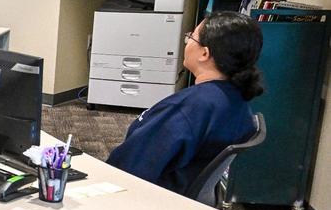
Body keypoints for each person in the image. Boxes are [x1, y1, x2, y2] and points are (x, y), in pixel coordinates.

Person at [107, 12, 264, 194]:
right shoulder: (237, 100)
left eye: (191, 37)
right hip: (182, 197)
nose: (187, 42)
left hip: (148, 199)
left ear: (205, 53)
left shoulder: (190, 108)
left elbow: (127, 170)